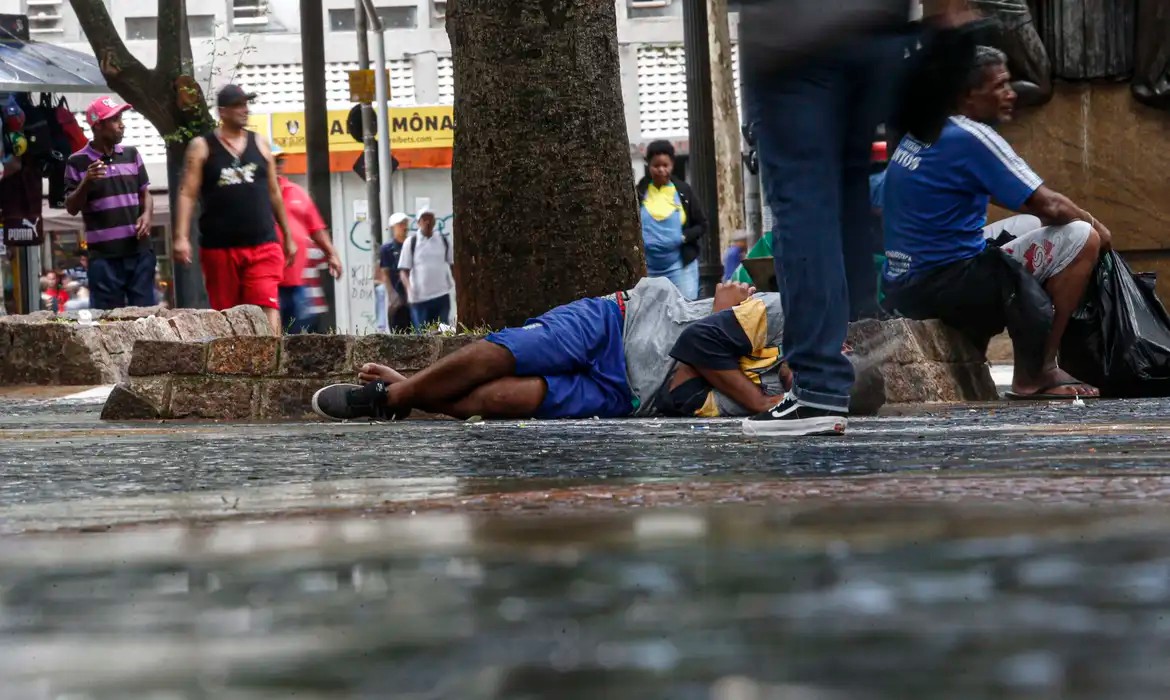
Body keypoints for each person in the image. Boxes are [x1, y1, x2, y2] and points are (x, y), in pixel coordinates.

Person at [739, 1, 977, 436]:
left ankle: (818, 384)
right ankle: (859, 342)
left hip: (797, 37)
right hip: (874, 33)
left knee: (803, 201)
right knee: (845, 192)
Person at [309, 278, 850, 435]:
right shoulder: (786, 315)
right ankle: (390, 398)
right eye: (832, 359)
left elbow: (685, 396)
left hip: (628, 396)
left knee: (503, 400)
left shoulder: (783, 406)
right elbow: (695, 348)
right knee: (503, 355)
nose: (811, 372)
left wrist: (718, 352)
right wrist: (752, 399)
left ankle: (409, 392)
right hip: (620, 320)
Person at [882, 46, 1110, 400]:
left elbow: (1028, 204)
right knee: (1083, 238)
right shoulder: (969, 136)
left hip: (906, 283)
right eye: (1000, 85)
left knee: (1028, 224)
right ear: (967, 94)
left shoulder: (926, 128)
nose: (1011, 94)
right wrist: (1100, 228)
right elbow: (1050, 203)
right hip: (944, 286)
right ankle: (1037, 371)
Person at [172, 85, 295, 335]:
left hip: (263, 244)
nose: (244, 110)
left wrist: (288, 236)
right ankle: (237, 370)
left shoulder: (259, 143)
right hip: (220, 248)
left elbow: (274, 193)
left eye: (246, 104)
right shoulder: (202, 146)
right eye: (238, 105)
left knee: (266, 304)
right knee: (228, 315)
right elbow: (187, 192)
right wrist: (181, 237)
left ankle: (275, 366)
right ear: (222, 111)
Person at [63, 96, 154, 310]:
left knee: (146, 318)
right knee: (107, 321)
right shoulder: (77, 162)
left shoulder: (132, 154)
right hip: (104, 258)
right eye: (115, 120)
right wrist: (86, 181)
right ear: (98, 125)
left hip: (139, 253)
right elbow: (71, 207)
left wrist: (147, 215)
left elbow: (145, 194)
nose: (122, 124)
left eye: (121, 118)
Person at [273, 145, 342, 334]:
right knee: (273, 335)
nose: (277, 165)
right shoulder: (257, 195)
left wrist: (331, 253)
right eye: (272, 161)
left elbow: (316, 228)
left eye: (280, 161)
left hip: (298, 281)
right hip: (269, 282)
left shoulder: (297, 192)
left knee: (302, 333)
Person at [635, 140, 707, 301]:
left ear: (672, 165)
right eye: (656, 165)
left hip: (680, 268)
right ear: (648, 165)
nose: (661, 170)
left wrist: (683, 237)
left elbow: (702, 224)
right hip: (650, 270)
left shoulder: (683, 191)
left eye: (665, 165)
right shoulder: (639, 191)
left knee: (685, 309)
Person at [398, 208, 453, 331]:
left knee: (443, 333)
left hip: (441, 295)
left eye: (430, 218)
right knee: (422, 336)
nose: (427, 222)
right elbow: (403, 271)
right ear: (418, 223)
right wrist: (409, 289)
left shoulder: (443, 240)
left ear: (434, 221)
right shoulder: (411, 242)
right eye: (424, 219)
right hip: (419, 299)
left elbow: (452, 264)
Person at [376, 212, 412, 333]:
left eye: (405, 224)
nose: (404, 227)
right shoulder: (387, 249)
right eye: (400, 224)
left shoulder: (412, 245)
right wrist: (392, 294)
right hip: (397, 294)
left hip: (413, 295)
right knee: (398, 330)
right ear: (393, 227)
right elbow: (384, 273)